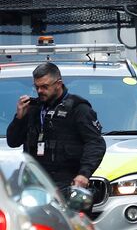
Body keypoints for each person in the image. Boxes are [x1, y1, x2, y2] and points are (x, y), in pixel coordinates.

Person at [7, 62, 106, 194]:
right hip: (35, 184)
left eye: (44, 87)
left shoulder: (78, 109)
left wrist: (84, 174)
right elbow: (13, 142)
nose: (39, 91)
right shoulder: (32, 108)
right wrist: (19, 118)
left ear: (58, 84)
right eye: (37, 87)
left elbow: (95, 143)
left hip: (67, 183)